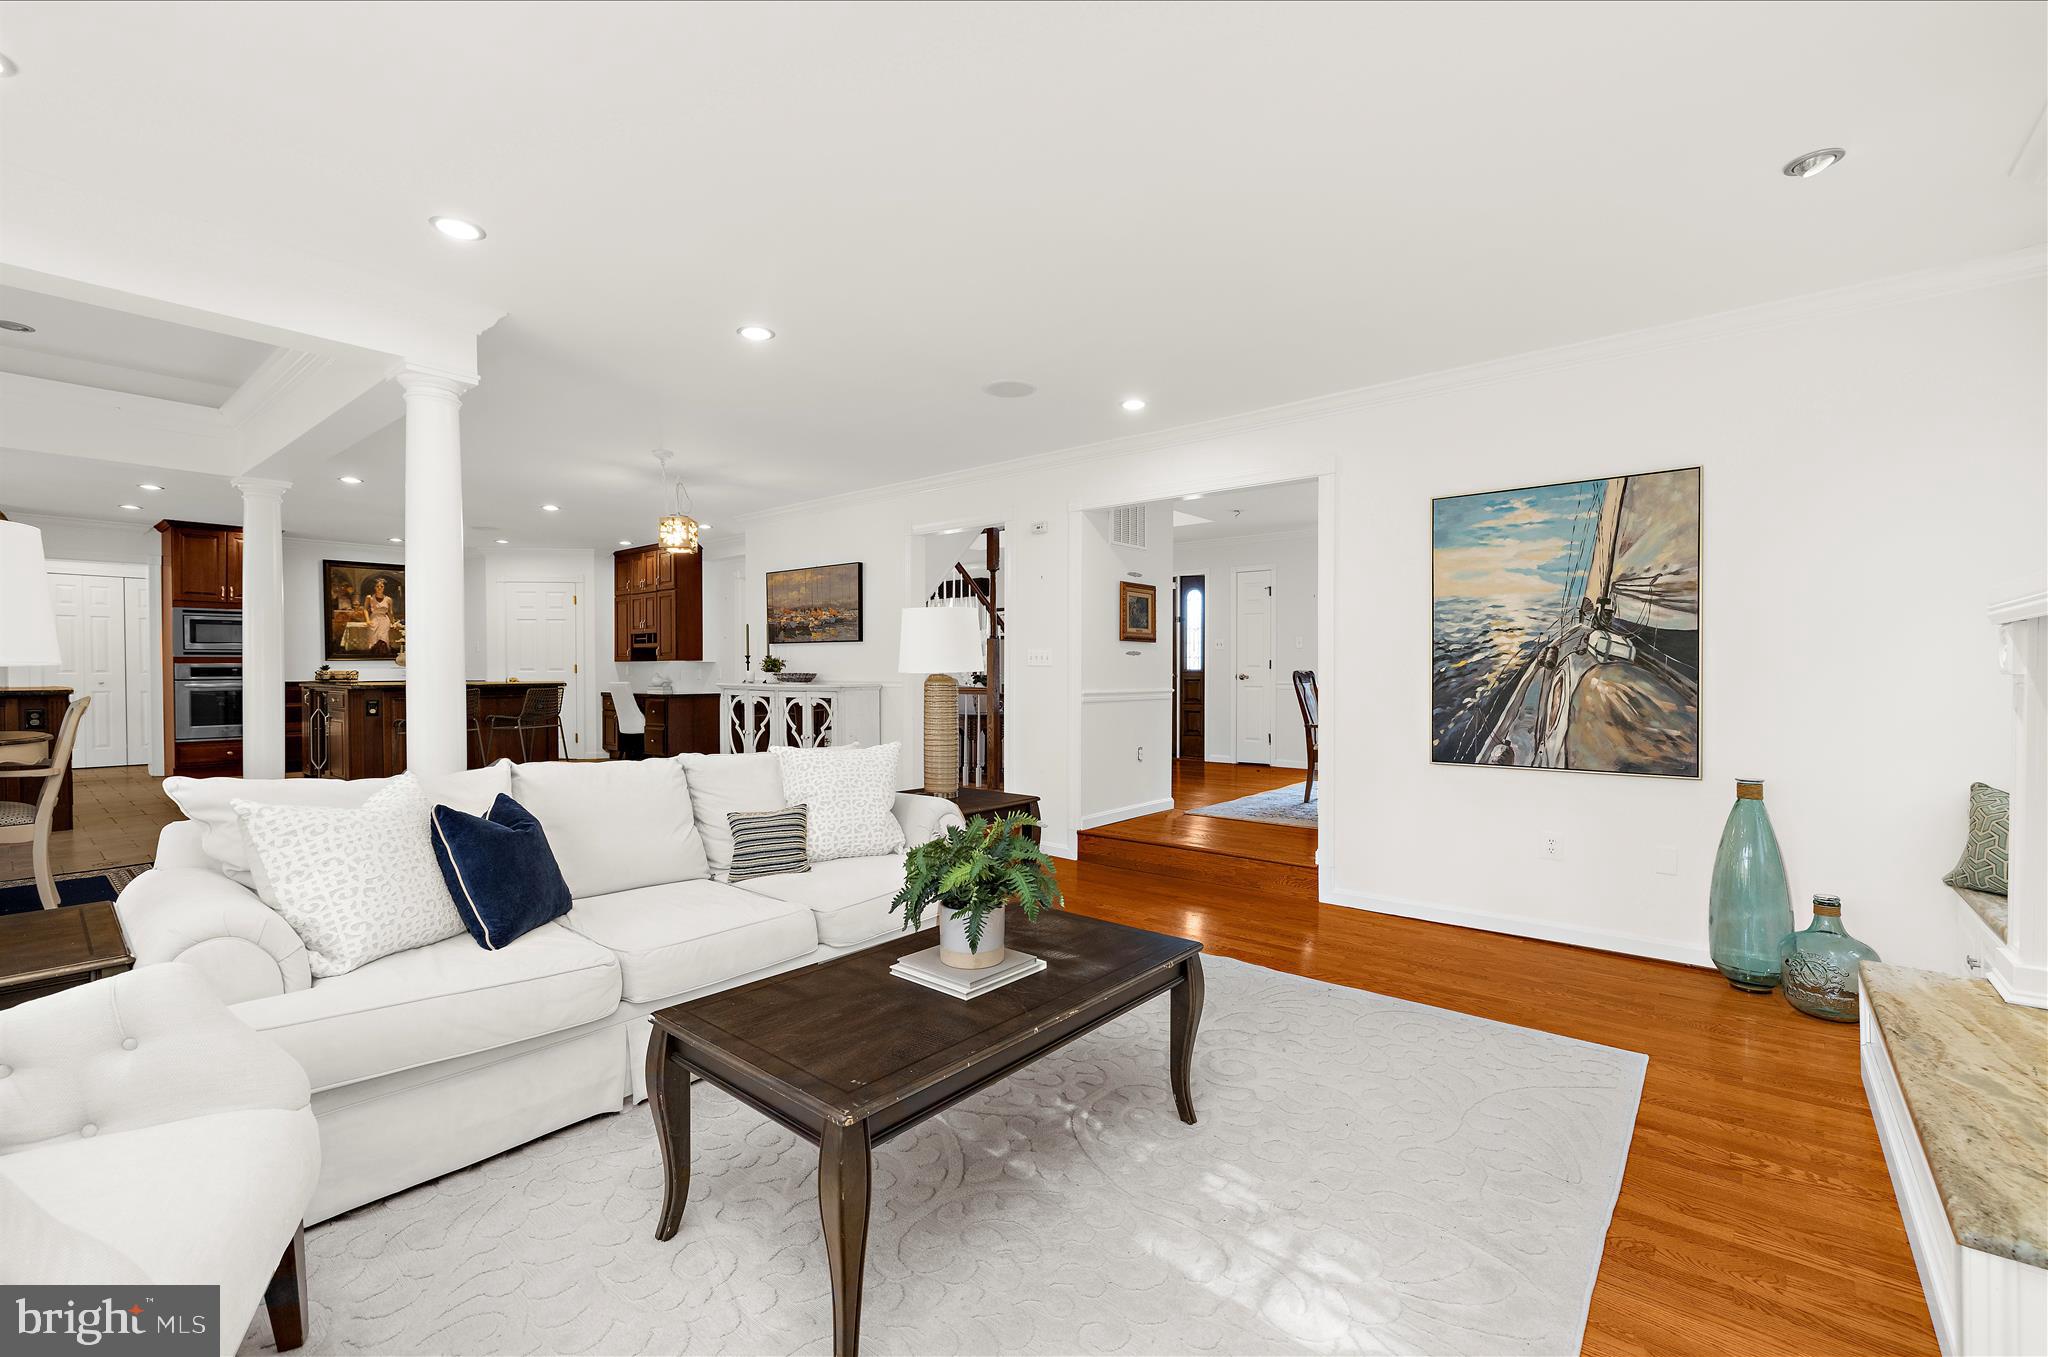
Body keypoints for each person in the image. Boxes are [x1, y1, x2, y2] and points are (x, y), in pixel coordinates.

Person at [365, 578, 396, 652]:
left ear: (384, 587)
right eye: (377, 586)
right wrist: (368, 620)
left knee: (383, 640)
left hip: (384, 621)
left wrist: (393, 622)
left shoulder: (388, 599)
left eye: (381, 586)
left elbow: (389, 612)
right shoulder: (369, 598)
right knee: (373, 640)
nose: (379, 588)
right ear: (374, 587)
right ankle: (374, 655)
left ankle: (383, 654)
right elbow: (365, 609)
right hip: (374, 620)